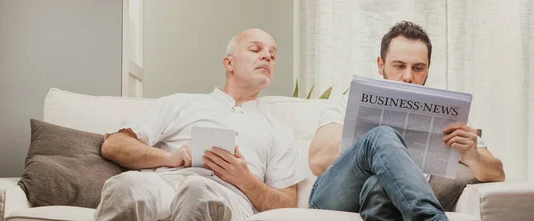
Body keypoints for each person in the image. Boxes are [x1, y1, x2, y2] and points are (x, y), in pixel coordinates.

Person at [95, 28, 304, 221]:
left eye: (273, 55)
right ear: (229, 63)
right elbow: (114, 144)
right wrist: (171, 158)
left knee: (198, 190)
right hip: (167, 184)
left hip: (230, 197)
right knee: (127, 185)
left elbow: (287, 205)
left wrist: (246, 180)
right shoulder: (180, 103)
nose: (267, 56)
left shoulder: (279, 131)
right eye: (256, 49)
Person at [307, 21, 505, 221]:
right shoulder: (347, 102)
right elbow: (317, 161)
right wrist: (375, 142)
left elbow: (497, 173)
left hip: (390, 200)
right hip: (335, 196)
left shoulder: (448, 115)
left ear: (428, 68)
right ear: (380, 64)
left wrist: (473, 155)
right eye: (399, 66)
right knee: (382, 134)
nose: (408, 76)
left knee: (380, 185)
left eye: (418, 68)